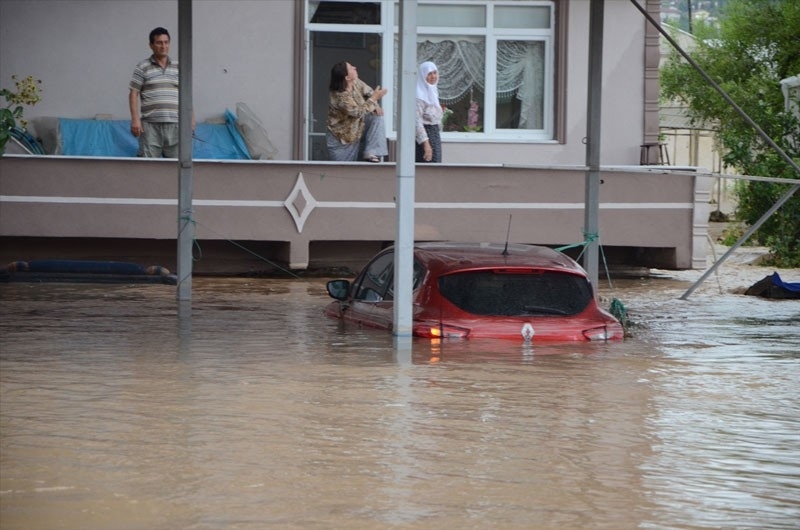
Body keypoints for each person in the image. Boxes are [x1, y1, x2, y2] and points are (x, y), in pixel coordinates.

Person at [129, 27, 194, 158]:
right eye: (159, 43)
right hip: (150, 127)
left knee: (177, 165)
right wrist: (135, 120)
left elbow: (186, 95)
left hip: (177, 125)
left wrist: (191, 120)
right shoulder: (142, 67)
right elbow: (133, 93)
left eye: (166, 42)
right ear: (151, 45)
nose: (163, 46)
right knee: (148, 166)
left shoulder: (179, 66)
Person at [326, 61, 388, 163]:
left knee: (377, 117)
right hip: (342, 138)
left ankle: (371, 152)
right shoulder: (340, 97)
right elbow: (358, 112)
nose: (355, 67)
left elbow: (369, 92)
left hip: (358, 129)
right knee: (343, 169)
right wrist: (374, 99)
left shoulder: (355, 82)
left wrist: (376, 105)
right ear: (347, 77)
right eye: (351, 68)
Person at [415, 61, 444, 163]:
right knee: (426, 166)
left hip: (434, 135)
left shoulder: (433, 92)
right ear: (423, 75)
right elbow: (417, 121)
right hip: (423, 137)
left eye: (435, 73)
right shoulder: (419, 95)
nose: (433, 76)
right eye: (429, 74)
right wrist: (426, 144)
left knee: (436, 166)